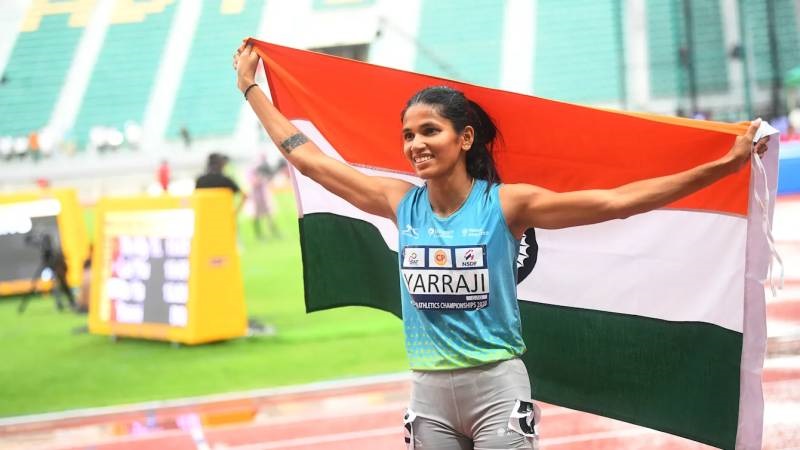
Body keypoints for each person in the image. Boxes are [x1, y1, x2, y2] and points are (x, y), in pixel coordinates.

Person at [233, 44, 769, 449]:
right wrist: (253, 90)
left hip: (497, 389)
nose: (416, 144)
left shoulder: (506, 205)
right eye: (408, 135)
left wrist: (721, 166)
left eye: (430, 131)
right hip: (428, 393)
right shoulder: (400, 203)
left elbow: (615, 203)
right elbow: (310, 160)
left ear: (464, 139)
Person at [248, 153, 282, 240]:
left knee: (269, 214)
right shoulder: (252, 170)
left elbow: (268, 179)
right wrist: (261, 178)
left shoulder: (263, 169)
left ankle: (274, 231)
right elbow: (254, 183)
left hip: (264, 195)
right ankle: (259, 235)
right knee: (256, 216)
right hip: (256, 196)